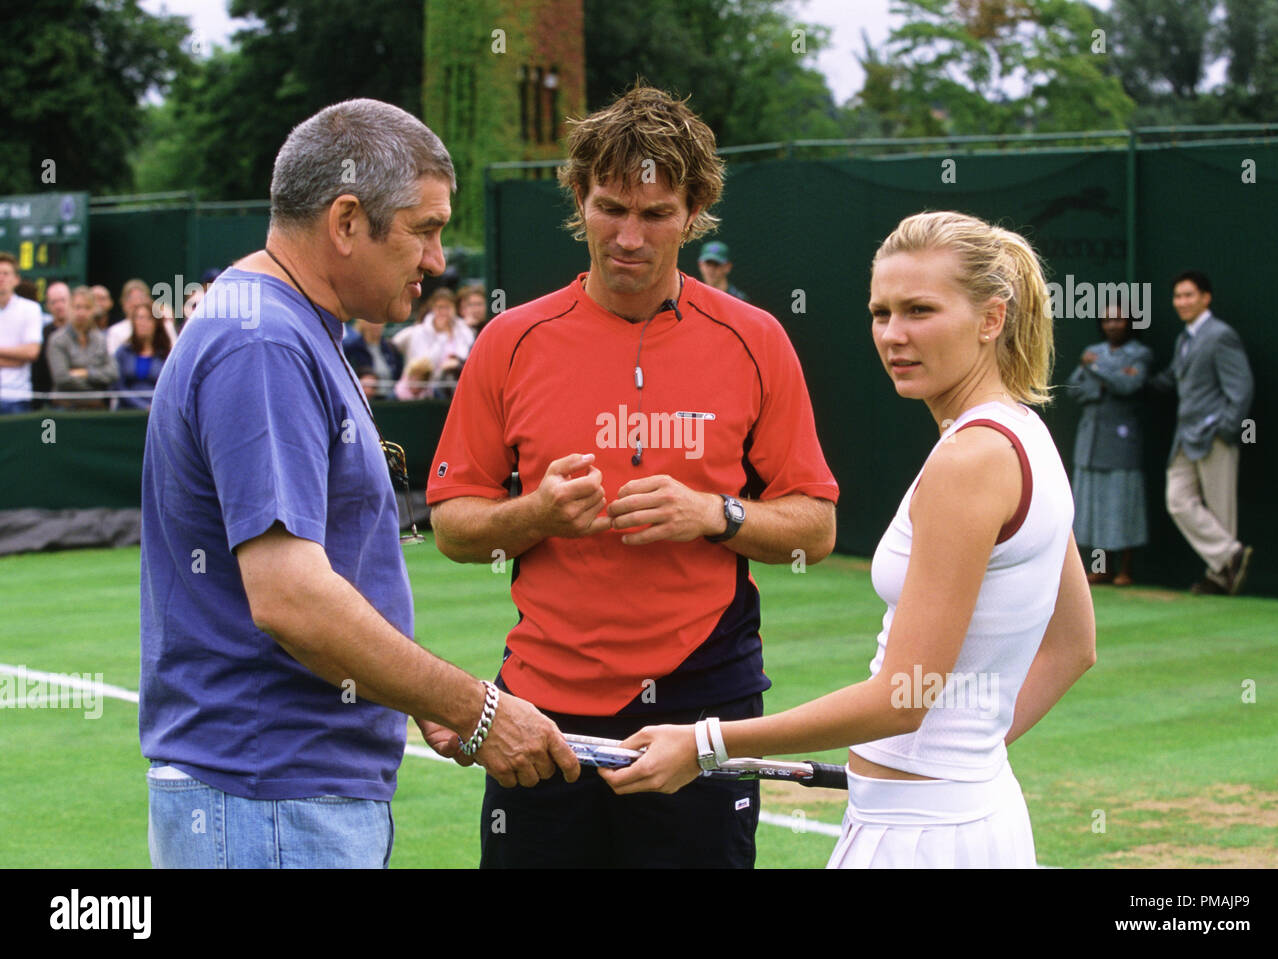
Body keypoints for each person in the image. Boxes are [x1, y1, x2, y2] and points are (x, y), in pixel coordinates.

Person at [138, 98, 578, 870]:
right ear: (346, 221)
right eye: (426, 228)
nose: (438, 260)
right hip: (270, 799)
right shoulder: (263, 340)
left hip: (275, 795)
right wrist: (472, 708)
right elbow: (292, 598)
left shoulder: (283, 323)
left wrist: (416, 697)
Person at [602, 211, 1097, 870]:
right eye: (880, 312)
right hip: (967, 813)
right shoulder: (1025, 434)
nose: (894, 334)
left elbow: (903, 697)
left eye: (920, 310)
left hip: (921, 838)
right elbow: (1074, 646)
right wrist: (964, 757)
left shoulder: (969, 461)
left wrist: (704, 742)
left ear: (991, 318)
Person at [426, 84, 839, 868]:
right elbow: (451, 523)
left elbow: (815, 526)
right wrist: (537, 513)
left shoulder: (756, 340)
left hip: (702, 704)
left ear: (695, 211)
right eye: (611, 207)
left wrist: (716, 512)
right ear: (579, 197)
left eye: (656, 214)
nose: (629, 236)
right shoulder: (511, 341)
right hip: (542, 713)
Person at [1150, 271, 1254, 595]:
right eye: (1178, 296)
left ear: (1205, 298)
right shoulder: (1185, 339)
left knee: (1221, 510)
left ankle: (1220, 576)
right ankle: (1229, 556)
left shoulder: (1220, 335)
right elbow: (1173, 379)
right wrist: (1135, 379)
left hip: (1214, 436)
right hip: (1185, 436)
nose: (1181, 302)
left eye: (1188, 295)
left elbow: (1242, 387)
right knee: (1177, 500)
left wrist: (1225, 428)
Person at [1067, 306, 1153, 585]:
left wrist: (1095, 368)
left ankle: (1125, 570)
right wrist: (1105, 382)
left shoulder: (1139, 354)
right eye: (1107, 320)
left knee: (1122, 502)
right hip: (1090, 441)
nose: (1112, 325)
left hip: (1121, 441)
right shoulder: (1094, 349)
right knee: (1094, 506)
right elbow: (1074, 388)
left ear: (1129, 323)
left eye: (1118, 319)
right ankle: (1101, 568)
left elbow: (1129, 386)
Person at [46, 286, 119, 409]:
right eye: (77, 307)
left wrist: (86, 373)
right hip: (65, 408)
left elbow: (113, 372)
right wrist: (96, 387)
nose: (82, 312)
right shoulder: (57, 339)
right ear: (69, 308)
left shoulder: (100, 339)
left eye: (87, 307)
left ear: (94, 310)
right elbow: (62, 378)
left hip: (96, 409)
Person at [0, 252, 44, 414]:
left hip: (17, 398)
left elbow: (32, 352)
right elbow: (23, 355)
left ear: (16, 279)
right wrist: (16, 357)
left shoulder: (31, 309)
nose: (1, 278)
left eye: (6, 273)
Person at [114, 301, 172, 410]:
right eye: (139, 318)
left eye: (148, 318)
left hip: (157, 411)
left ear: (156, 323)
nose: (143, 323)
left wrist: (155, 407)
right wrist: (143, 406)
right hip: (126, 412)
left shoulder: (166, 355)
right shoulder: (123, 352)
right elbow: (118, 386)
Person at [343, 318, 403, 400]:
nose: (376, 326)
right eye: (372, 322)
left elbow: (399, 375)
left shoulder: (391, 348)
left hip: (391, 399)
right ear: (363, 324)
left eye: (379, 322)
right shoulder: (352, 347)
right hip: (364, 398)